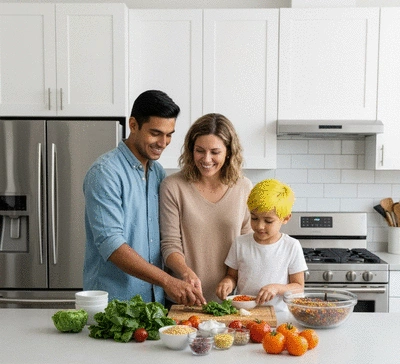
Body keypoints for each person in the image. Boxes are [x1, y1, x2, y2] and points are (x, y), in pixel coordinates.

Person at [83, 90, 205, 306]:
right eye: (156, 133)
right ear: (133, 125)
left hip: (153, 304)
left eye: (169, 134)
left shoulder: (157, 172)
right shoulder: (104, 172)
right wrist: (167, 281)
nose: (163, 142)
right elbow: (111, 244)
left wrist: (183, 272)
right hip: (114, 305)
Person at [160, 113, 253, 303]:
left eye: (215, 152)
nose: (206, 159)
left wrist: (230, 278)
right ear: (190, 150)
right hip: (184, 298)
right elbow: (170, 245)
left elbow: (247, 246)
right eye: (199, 150)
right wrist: (185, 273)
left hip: (230, 300)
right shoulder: (173, 186)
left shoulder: (244, 187)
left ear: (228, 152)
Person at [216, 178, 307, 312]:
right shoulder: (240, 243)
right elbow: (232, 276)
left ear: (286, 218)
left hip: (278, 314)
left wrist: (277, 288)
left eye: (268, 221)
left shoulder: (291, 246)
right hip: (245, 313)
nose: (260, 226)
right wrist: (227, 282)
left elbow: (299, 286)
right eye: (254, 218)